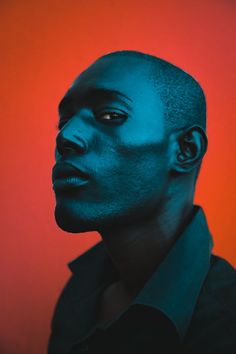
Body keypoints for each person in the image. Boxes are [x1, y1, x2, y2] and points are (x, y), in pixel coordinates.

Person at [48, 51, 236, 354]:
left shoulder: (226, 325)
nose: (66, 136)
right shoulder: (79, 294)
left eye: (110, 115)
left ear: (185, 150)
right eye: (65, 119)